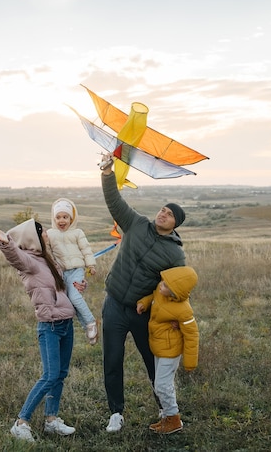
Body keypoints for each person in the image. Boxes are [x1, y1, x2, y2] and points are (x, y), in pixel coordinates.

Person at [98, 153, 187, 433]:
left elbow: (178, 289)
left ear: (175, 224)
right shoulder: (136, 224)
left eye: (170, 214)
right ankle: (116, 413)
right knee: (111, 360)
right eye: (163, 209)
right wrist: (107, 172)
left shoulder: (175, 254)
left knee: (153, 361)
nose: (163, 214)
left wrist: (174, 318)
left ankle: (165, 410)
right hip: (113, 305)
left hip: (142, 313)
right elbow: (114, 201)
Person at [0, 219, 76, 443]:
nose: (48, 234)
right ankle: (21, 422)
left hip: (66, 323)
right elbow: (14, 257)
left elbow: (61, 288)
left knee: (60, 374)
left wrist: (77, 286)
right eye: (43, 232)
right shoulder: (28, 261)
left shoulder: (47, 260)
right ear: (33, 237)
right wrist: (6, 243)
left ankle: (51, 420)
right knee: (49, 376)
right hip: (49, 325)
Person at [137, 266, 199, 434]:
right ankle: (167, 417)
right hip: (158, 346)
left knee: (162, 385)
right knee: (161, 384)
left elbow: (192, 335)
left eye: (165, 286)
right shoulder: (160, 289)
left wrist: (190, 362)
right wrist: (144, 302)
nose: (160, 285)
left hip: (171, 351)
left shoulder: (183, 310)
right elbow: (154, 296)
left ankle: (173, 419)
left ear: (174, 292)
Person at [47, 197, 98, 345]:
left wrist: (91, 265)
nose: (61, 220)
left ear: (71, 218)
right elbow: (47, 251)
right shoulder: (50, 234)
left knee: (75, 298)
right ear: (54, 218)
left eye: (65, 217)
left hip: (76, 270)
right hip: (62, 273)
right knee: (69, 302)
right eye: (58, 217)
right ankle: (87, 327)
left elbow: (86, 249)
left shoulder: (77, 233)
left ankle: (91, 322)